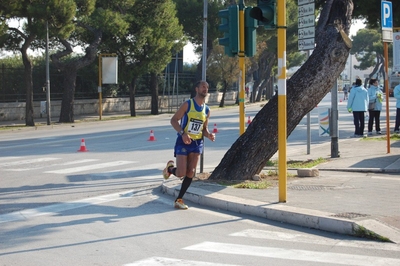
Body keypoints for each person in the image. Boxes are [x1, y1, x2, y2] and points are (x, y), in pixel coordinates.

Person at [162, 80, 216, 209]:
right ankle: (169, 169)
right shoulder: (188, 104)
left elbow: (204, 128)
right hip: (183, 141)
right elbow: (173, 120)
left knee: (191, 172)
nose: (205, 89)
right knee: (181, 173)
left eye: (207, 87)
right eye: (203, 86)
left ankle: (179, 200)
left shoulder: (207, 110)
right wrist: (183, 133)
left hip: (197, 143)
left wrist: (209, 135)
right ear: (196, 89)